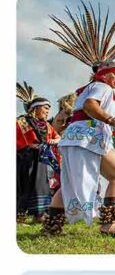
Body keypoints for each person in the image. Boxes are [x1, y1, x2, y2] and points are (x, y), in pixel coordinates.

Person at [37, 2, 115, 237]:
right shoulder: (101, 87)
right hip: (88, 137)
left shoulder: (87, 87)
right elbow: (89, 107)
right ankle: (109, 224)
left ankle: (51, 228)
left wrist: (110, 123)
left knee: (69, 184)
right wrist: (111, 120)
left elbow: (84, 109)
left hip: (74, 138)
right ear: (105, 73)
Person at [16, 84, 59, 223]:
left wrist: (53, 140)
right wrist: (28, 145)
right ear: (35, 108)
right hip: (25, 159)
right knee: (25, 186)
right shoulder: (21, 122)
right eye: (45, 108)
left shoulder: (47, 126)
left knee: (41, 185)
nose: (47, 111)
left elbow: (58, 137)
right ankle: (19, 216)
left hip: (41, 160)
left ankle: (39, 215)